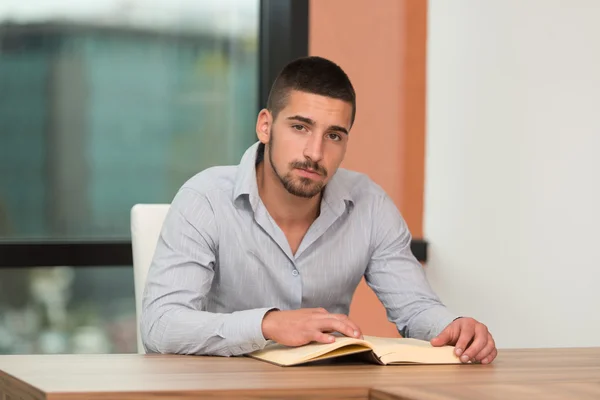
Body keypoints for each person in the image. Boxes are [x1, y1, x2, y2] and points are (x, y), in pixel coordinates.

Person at [141, 56, 497, 365]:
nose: (315, 152)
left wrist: (453, 328)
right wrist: (267, 324)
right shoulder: (204, 199)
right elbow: (161, 325)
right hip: (224, 391)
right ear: (265, 126)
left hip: (326, 390)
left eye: (334, 135)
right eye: (300, 127)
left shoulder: (369, 205)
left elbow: (416, 309)